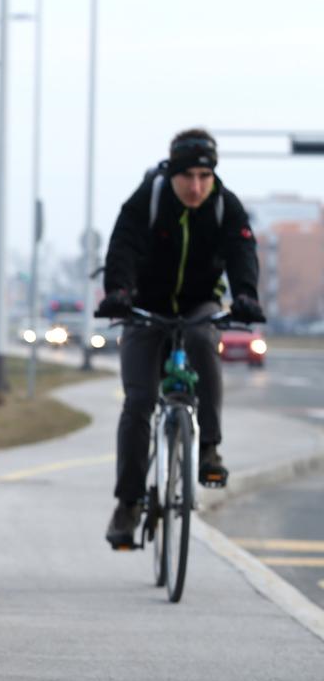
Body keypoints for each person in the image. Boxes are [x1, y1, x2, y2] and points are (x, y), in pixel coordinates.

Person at [93, 128, 266, 549]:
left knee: (205, 341)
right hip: (145, 306)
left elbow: (242, 251)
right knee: (138, 403)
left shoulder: (224, 205)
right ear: (172, 173)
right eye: (187, 176)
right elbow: (123, 245)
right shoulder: (148, 200)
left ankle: (208, 449)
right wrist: (119, 291)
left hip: (198, 303)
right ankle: (128, 503)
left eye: (204, 177)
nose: (196, 186)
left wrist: (245, 295)